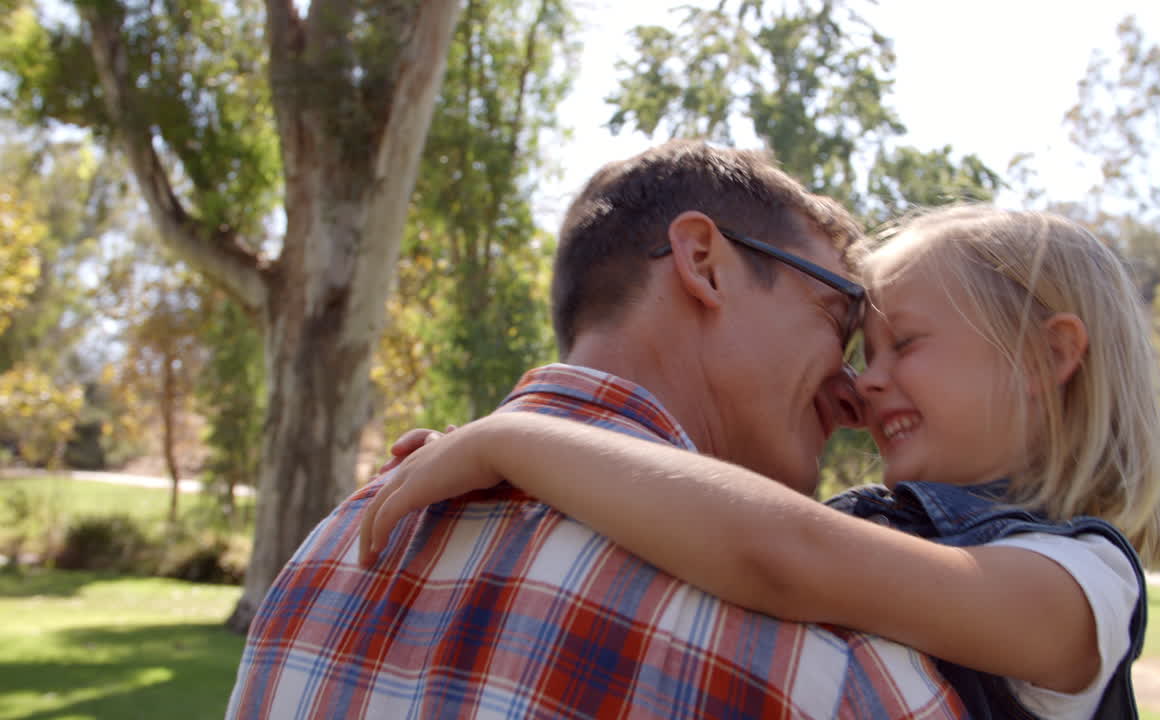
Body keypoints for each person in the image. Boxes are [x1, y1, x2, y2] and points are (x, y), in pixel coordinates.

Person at [225, 140, 968, 719]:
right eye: (839, 318)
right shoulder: (827, 667)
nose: (852, 393)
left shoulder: (321, 563)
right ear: (704, 264)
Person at [361, 205, 1160, 719]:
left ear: (1046, 356)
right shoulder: (878, 528)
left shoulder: (1086, 585)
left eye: (905, 344)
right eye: (862, 354)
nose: (863, 382)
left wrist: (514, 442)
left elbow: (780, 556)